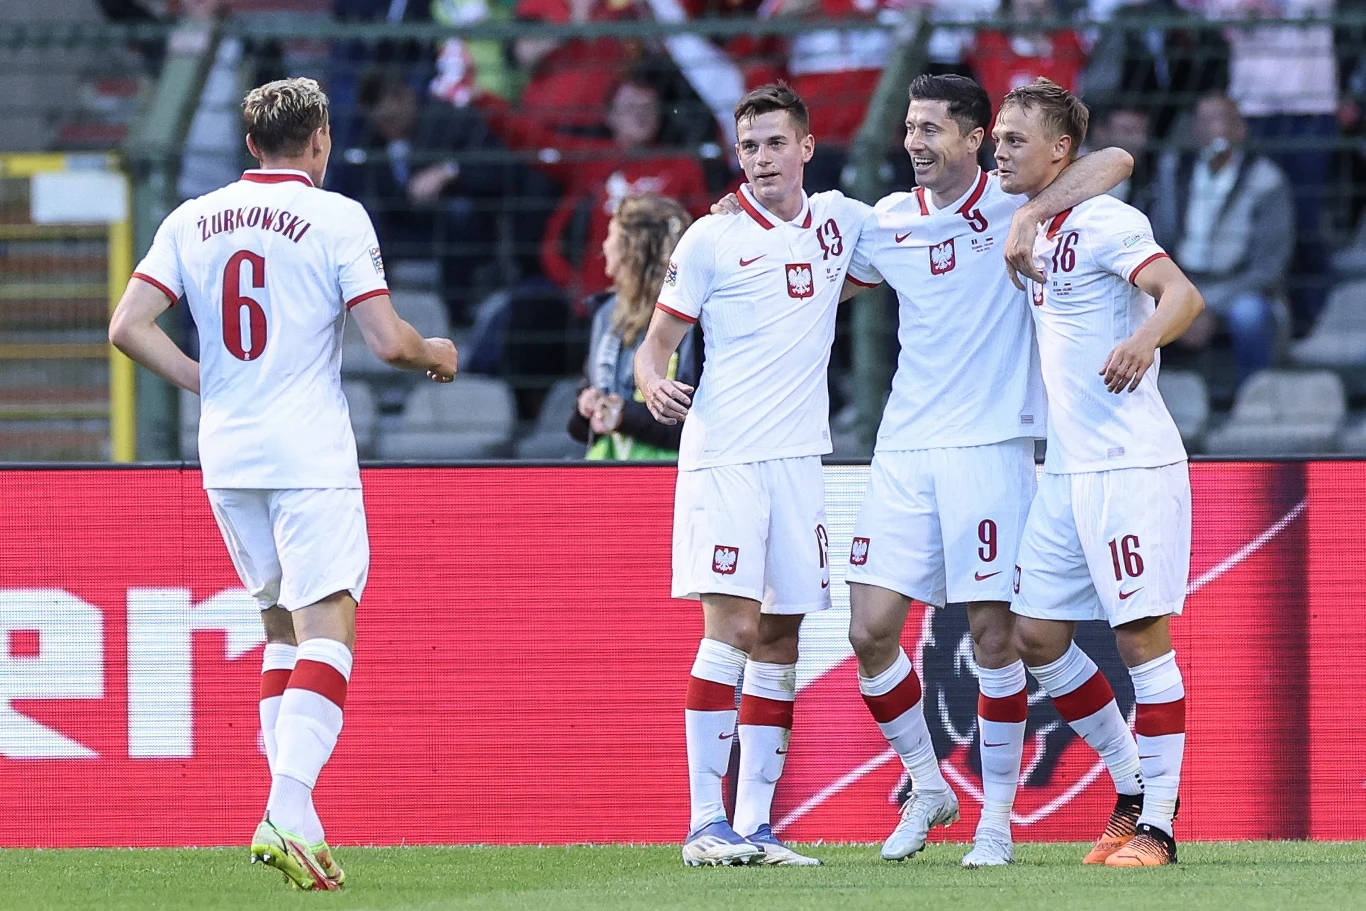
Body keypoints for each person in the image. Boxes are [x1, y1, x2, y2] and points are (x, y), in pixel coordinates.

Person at [107, 77, 459, 890]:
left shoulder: (191, 218)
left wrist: (206, 380)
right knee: (329, 624)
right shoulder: (335, 217)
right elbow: (388, 342)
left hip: (227, 455)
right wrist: (437, 353)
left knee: (280, 631)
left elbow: (125, 325)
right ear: (321, 139)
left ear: (249, 143)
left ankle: (294, 819)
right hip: (306, 455)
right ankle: (287, 803)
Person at [835, 74, 1134, 868]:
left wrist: (1033, 209)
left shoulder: (1014, 201)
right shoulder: (887, 222)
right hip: (902, 449)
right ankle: (927, 782)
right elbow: (814, 258)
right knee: (867, 631)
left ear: (974, 139)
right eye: (908, 126)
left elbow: (1116, 158)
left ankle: (994, 821)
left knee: (995, 639)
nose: (914, 142)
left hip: (995, 447)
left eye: (932, 128)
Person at [634, 82, 871, 867]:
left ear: (806, 146)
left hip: (800, 460)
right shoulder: (710, 237)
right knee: (729, 628)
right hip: (726, 455)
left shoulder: (839, 223)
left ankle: (757, 824)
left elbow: (898, 254)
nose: (762, 158)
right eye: (749, 147)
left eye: (775, 143)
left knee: (782, 634)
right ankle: (704, 821)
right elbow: (654, 342)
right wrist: (650, 381)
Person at [993, 77, 1204, 867]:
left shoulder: (1110, 221)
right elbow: (1100, 156)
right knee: (1036, 635)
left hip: (1128, 463)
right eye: (997, 137)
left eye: (1017, 140)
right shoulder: (1033, 217)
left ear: (1058, 152)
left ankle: (1160, 826)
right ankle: (1128, 788)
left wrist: (1145, 338)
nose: (999, 150)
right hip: (1066, 469)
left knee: (1143, 641)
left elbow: (1181, 294)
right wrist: (1027, 210)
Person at [1149, 93, 1294, 385]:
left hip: (1240, 286)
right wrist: (1180, 296)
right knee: (1132, 309)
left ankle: (1253, 400)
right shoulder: (1174, 169)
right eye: (1203, 120)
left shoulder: (1267, 179)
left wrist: (1208, 306)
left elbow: (1269, 265)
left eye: (1219, 119)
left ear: (1240, 129)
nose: (1211, 128)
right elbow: (1157, 238)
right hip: (1183, 280)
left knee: (1250, 316)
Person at [568, 193, 698, 458]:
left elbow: (696, 421)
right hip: (612, 477)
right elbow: (582, 428)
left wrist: (624, 415)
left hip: (671, 476)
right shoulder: (606, 315)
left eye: (610, 235)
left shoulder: (693, 316)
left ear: (633, 248)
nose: (603, 246)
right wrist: (587, 409)